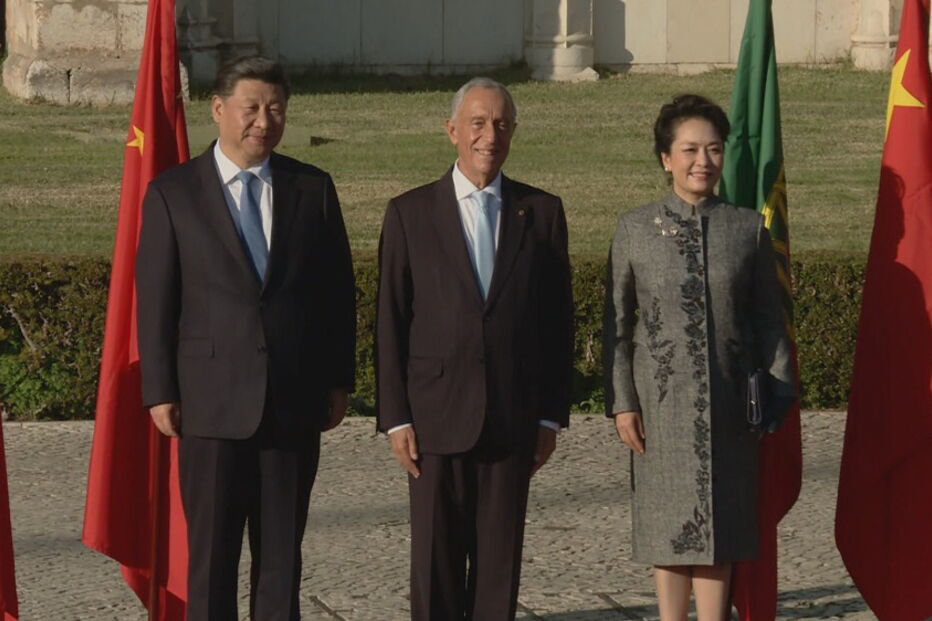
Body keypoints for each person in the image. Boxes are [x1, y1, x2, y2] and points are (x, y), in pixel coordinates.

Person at [135, 56, 356, 620]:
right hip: (209, 406)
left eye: (276, 109)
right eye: (251, 107)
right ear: (218, 109)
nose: (264, 120)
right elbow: (157, 299)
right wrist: (160, 389)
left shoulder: (313, 189)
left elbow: (337, 295)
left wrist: (338, 378)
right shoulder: (173, 194)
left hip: (292, 403)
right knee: (211, 558)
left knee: (282, 556)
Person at [376, 77, 574, 620]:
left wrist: (551, 418)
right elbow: (390, 322)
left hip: (513, 418)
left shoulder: (542, 213)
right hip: (435, 420)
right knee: (435, 566)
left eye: (503, 124)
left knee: (498, 568)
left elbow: (558, 324)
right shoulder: (409, 214)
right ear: (452, 131)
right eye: (479, 123)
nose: (491, 136)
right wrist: (395, 418)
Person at [603, 94, 796, 621]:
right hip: (659, 408)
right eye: (689, 150)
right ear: (665, 157)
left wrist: (776, 394)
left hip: (732, 405)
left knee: (721, 529)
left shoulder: (746, 228)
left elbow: (768, 321)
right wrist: (622, 402)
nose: (702, 162)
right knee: (668, 526)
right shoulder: (634, 228)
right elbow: (617, 325)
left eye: (713, 149)